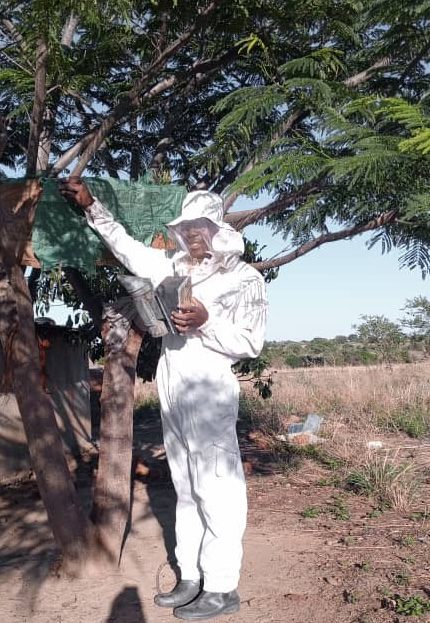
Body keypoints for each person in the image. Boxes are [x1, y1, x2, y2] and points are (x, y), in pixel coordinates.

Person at [59, 178, 268, 621]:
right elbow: (126, 247)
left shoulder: (244, 278)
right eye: (187, 227)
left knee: (218, 486)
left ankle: (222, 585)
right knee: (186, 487)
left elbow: (251, 343)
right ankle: (192, 576)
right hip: (174, 386)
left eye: (201, 226)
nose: (193, 234)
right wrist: (92, 206)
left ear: (218, 229)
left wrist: (207, 321)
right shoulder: (172, 268)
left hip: (210, 389)